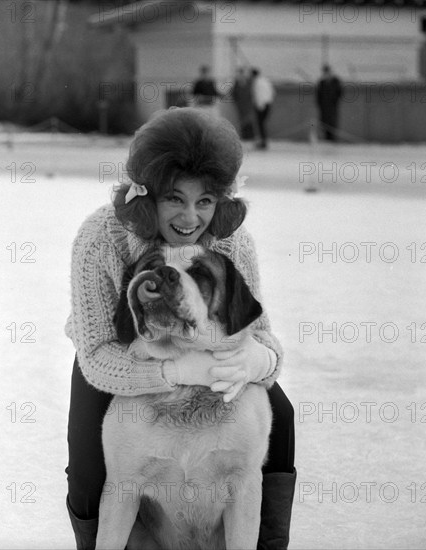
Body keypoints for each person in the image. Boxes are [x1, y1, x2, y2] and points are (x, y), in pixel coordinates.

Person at [65, 107, 296, 550]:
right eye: (175, 198)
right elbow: (95, 353)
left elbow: (261, 332)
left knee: (280, 418)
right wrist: (173, 374)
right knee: (90, 459)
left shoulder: (230, 240)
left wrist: (259, 359)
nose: (191, 218)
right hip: (117, 352)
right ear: (146, 195)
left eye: (204, 201)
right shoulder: (100, 237)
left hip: (209, 349)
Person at [316, 65, 343, 142]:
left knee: (332, 124)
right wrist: (320, 104)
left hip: (332, 107)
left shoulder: (335, 82)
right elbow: (318, 96)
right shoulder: (322, 83)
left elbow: (339, 93)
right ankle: (326, 140)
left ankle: (332, 140)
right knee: (324, 124)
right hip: (324, 108)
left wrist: (334, 100)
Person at [251, 68, 275, 150]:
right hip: (268, 104)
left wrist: (259, 105)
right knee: (262, 124)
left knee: (260, 124)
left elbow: (258, 95)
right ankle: (263, 141)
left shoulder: (257, 83)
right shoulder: (265, 81)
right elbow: (272, 92)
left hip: (261, 105)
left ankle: (263, 142)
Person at [232, 66, 257, 141]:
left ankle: (250, 135)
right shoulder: (237, 82)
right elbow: (234, 93)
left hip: (248, 104)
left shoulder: (249, 82)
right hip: (241, 104)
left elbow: (252, 93)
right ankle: (245, 135)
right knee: (242, 120)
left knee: (248, 119)